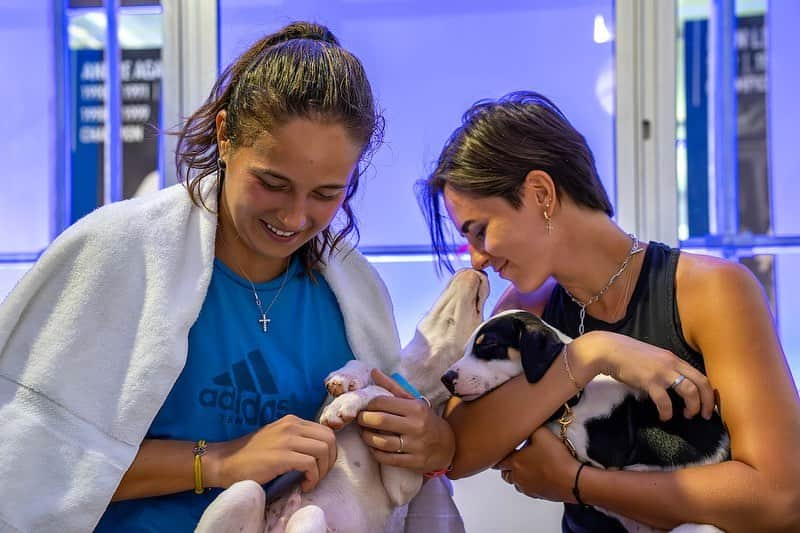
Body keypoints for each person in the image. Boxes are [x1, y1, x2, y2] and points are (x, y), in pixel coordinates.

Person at [0, 22, 456, 531]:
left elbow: (376, 476)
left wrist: (431, 442)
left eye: (326, 194)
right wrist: (219, 461)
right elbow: (29, 461)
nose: (294, 217)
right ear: (224, 135)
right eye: (272, 183)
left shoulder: (355, 295)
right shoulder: (117, 253)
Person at [417, 91, 800, 532]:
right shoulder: (529, 310)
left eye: (480, 231)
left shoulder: (711, 291)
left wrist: (578, 483)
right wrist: (591, 354)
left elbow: (780, 498)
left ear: (541, 192)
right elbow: (458, 451)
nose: (476, 259)